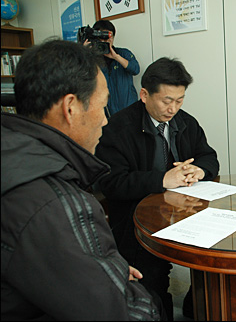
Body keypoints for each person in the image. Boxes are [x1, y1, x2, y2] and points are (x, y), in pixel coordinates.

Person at [1, 39, 163, 320]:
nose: (104, 120)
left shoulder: (12, 153)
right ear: (71, 107)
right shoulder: (56, 203)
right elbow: (121, 311)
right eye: (102, 107)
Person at [95, 56, 220, 320]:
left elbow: (209, 156)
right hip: (137, 221)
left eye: (180, 100)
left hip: (186, 212)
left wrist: (200, 169)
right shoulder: (118, 128)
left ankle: (196, 303)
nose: (173, 108)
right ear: (144, 94)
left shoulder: (185, 122)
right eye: (166, 100)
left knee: (216, 258)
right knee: (152, 285)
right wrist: (163, 179)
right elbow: (112, 182)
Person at [91, 19, 140, 117]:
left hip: (128, 110)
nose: (107, 40)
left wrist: (116, 57)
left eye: (109, 37)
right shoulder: (92, 58)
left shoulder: (123, 53)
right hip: (107, 113)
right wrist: (85, 52)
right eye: (102, 37)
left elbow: (135, 69)